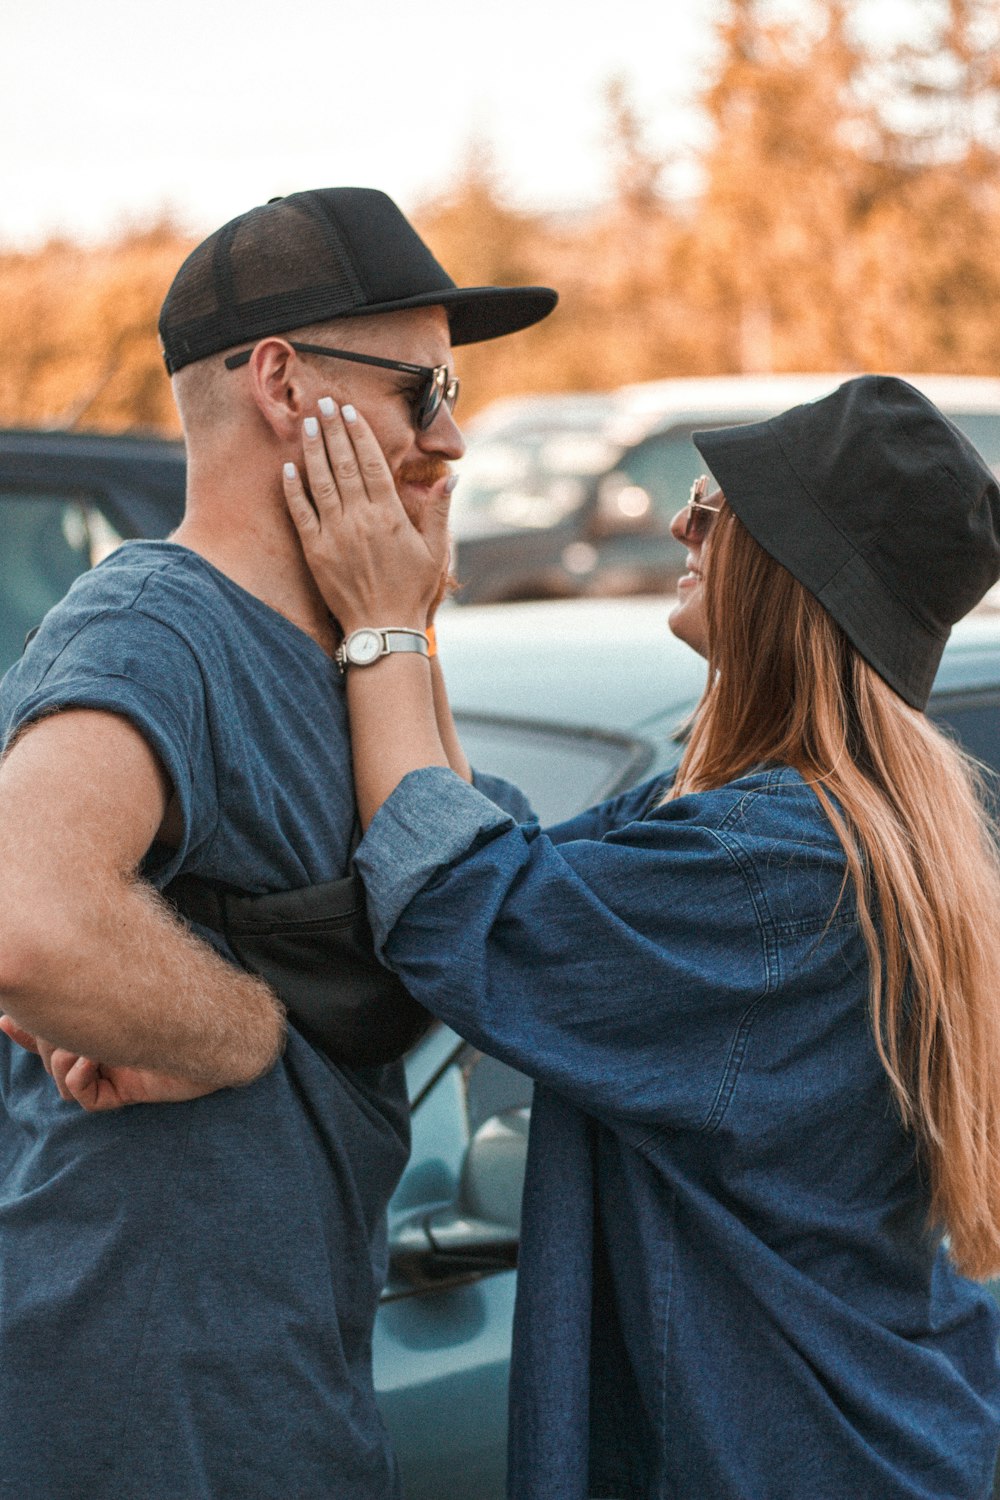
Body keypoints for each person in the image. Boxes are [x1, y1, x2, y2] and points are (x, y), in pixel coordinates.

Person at [282, 374, 1000, 1500]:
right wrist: (410, 618)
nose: (680, 521)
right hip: (863, 1435)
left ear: (788, 578)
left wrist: (377, 627)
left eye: (714, 506)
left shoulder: (770, 865)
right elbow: (499, 862)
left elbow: (460, 906)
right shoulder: (791, 824)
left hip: (786, 1457)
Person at [0, 187, 556, 1500]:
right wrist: (230, 1029)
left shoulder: (348, 653)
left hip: (287, 1386)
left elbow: (458, 915)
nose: (455, 436)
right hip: (141, 1406)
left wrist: (406, 617)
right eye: (423, 388)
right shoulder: (154, 623)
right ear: (280, 380)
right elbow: (26, 913)